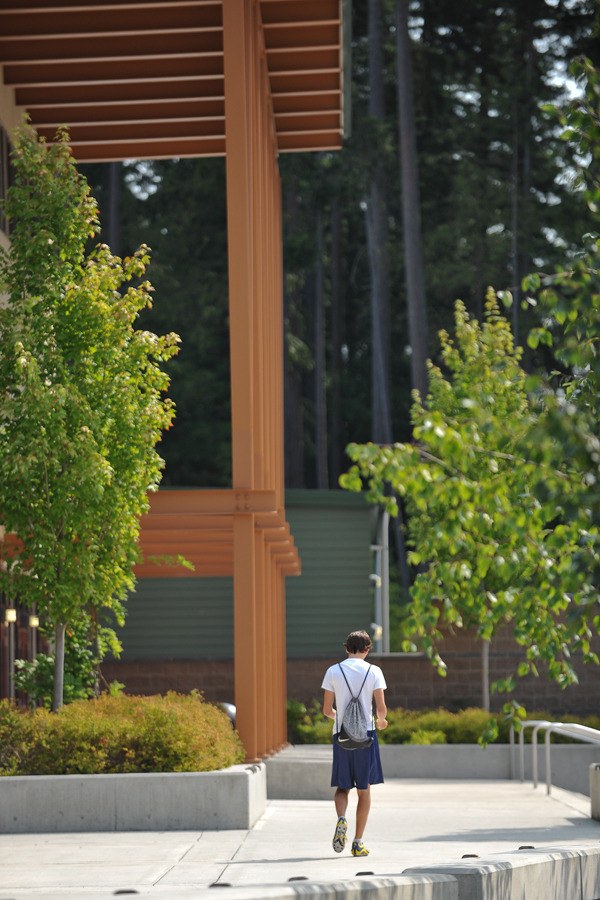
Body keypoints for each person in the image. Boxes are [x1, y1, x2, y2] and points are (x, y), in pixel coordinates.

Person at [321, 630, 388, 858]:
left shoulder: (333, 671)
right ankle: (358, 843)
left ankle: (341, 819)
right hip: (366, 736)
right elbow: (380, 708)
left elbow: (327, 710)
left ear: (346, 648)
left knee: (342, 787)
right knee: (364, 790)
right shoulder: (374, 671)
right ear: (367, 649)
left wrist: (341, 719)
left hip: (341, 735)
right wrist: (381, 721)